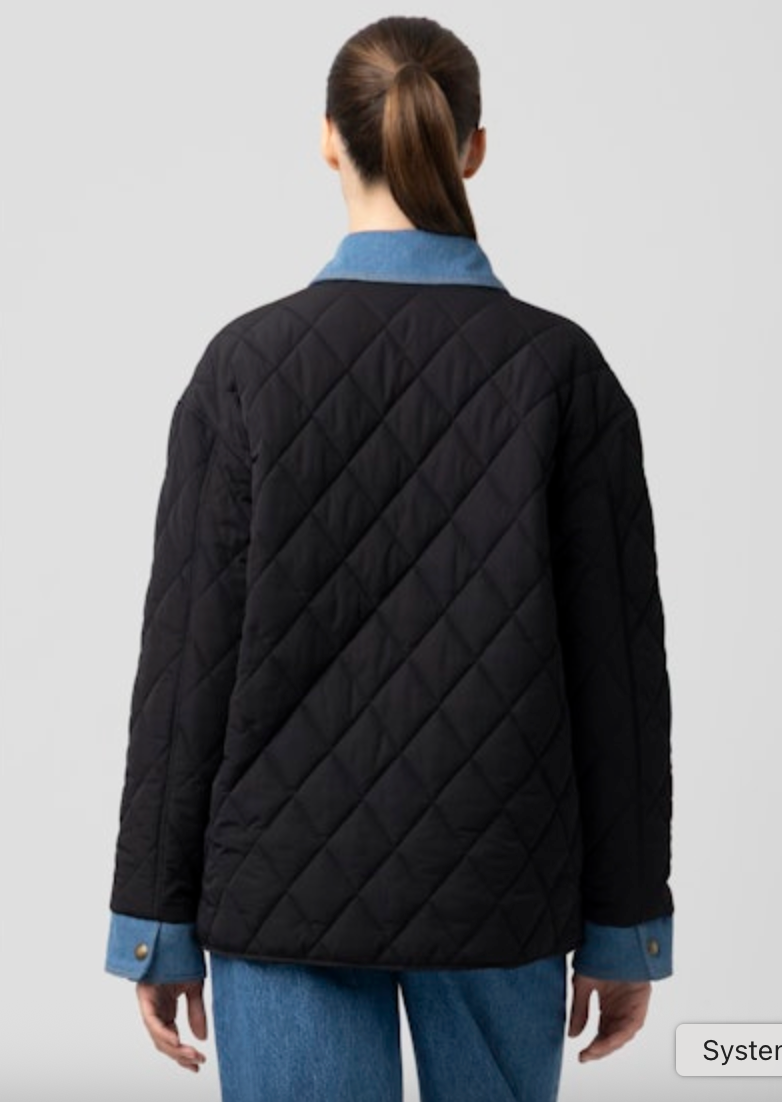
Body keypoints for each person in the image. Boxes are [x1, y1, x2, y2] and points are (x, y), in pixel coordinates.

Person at [104, 15, 674, 1102]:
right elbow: (622, 683)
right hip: (502, 885)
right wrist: (626, 923)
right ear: (474, 147)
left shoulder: (245, 366)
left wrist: (153, 923)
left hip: (282, 891)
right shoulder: (562, 371)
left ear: (330, 140)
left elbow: (185, 669)